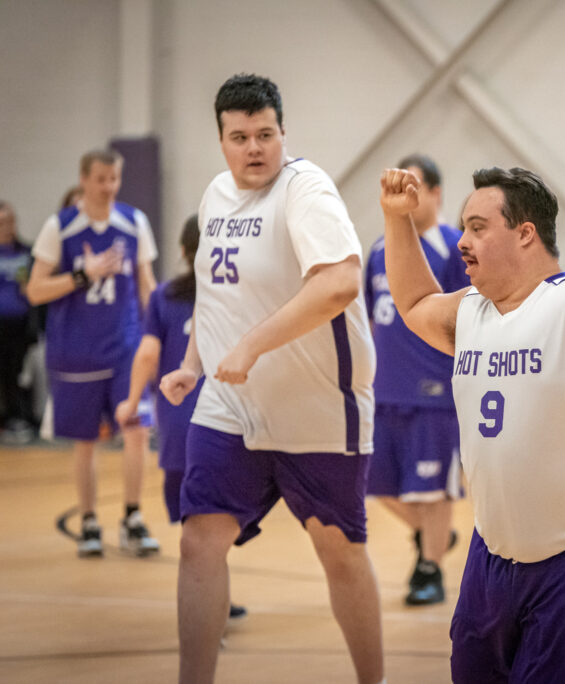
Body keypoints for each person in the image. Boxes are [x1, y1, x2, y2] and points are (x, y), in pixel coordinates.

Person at [379, 161, 565, 682]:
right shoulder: (468, 314)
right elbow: (412, 302)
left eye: (478, 227)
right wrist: (396, 218)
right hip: (493, 551)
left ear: (526, 234)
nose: (462, 242)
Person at [158, 74, 384, 684]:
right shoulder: (214, 197)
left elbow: (339, 283)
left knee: (339, 552)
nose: (253, 148)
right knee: (200, 538)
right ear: (222, 141)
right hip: (231, 405)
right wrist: (192, 365)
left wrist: (253, 345)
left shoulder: (306, 190)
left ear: (283, 133)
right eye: (239, 137)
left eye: (264, 134)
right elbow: (215, 293)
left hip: (318, 409)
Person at [26, 149, 160, 559]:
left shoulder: (134, 222)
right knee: (86, 442)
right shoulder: (60, 227)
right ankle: (88, 520)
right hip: (76, 353)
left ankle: (133, 518)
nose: (108, 186)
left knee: (137, 431)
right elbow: (34, 290)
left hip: (125, 348)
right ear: (84, 179)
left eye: (114, 179)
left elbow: (146, 285)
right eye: (100, 179)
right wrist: (85, 273)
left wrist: (160, 333)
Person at [114, 215, 247, 623]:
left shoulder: (164, 296)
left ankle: (208, 604)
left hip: (177, 423)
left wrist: (133, 400)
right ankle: (214, 602)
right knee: (219, 523)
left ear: (184, 250)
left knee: (195, 526)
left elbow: (149, 354)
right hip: (227, 420)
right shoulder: (234, 293)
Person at [364, 153, 469, 606]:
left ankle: (428, 568)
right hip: (385, 389)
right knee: (377, 485)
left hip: (435, 392)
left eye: (414, 187)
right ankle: (435, 537)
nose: (404, 196)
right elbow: (373, 320)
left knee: (431, 491)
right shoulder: (376, 250)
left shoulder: (455, 247)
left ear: (435, 193)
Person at [0, 201, 37, 445]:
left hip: (19, 325)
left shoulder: (25, 252)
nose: (6, 227)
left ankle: (17, 417)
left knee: (16, 373)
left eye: (9, 221)